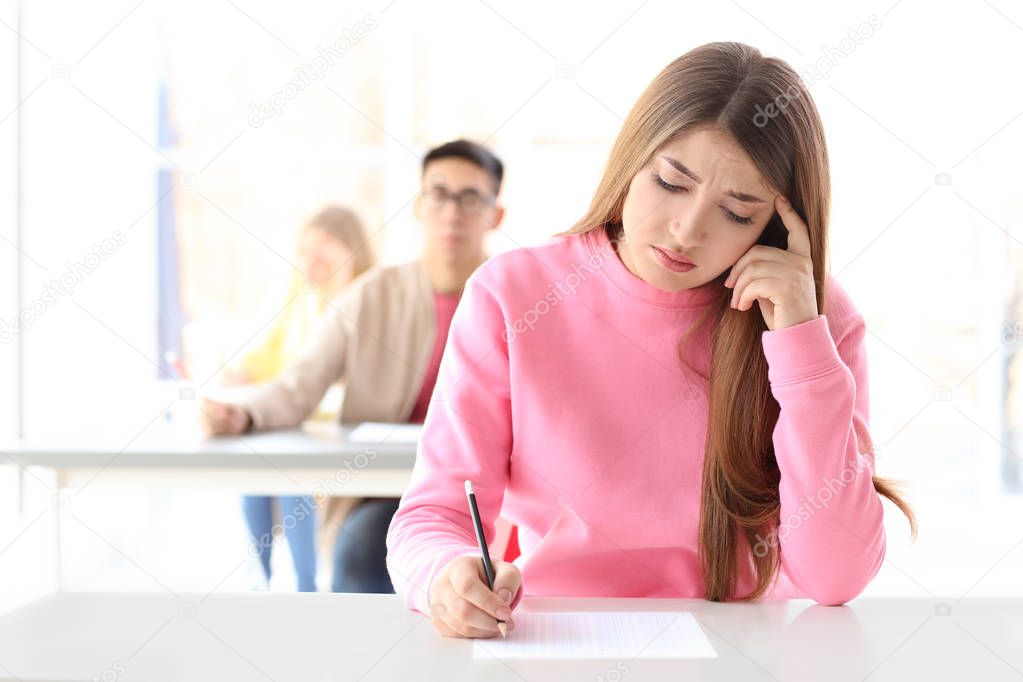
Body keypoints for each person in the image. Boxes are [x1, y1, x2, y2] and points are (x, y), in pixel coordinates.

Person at [385, 42, 917, 639]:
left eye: (737, 213)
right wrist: (442, 580)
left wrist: (800, 345)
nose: (687, 230)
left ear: (776, 224)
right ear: (631, 161)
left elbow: (835, 576)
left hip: (745, 655)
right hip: (559, 644)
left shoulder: (814, 318)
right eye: (670, 182)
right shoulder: (512, 294)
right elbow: (431, 517)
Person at [200, 139, 506, 593]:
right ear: (420, 205)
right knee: (361, 552)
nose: (452, 212)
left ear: (495, 215)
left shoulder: (514, 296)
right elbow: (300, 382)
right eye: (439, 195)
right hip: (387, 496)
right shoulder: (372, 294)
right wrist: (244, 412)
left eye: (470, 198)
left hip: (487, 504)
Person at [227, 205, 374, 591]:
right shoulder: (301, 299)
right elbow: (271, 357)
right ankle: (261, 578)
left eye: (324, 249)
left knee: (292, 479)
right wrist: (242, 374)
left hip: (341, 433)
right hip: (299, 427)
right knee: (253, 476)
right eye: (305, 250)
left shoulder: (367, 300)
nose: (311, 261)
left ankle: (306, 588)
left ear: (352, 251)